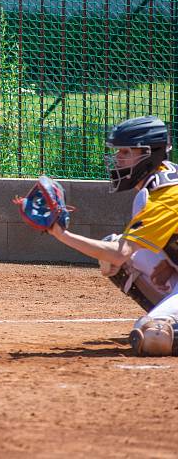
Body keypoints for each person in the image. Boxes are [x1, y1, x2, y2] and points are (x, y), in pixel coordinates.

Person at [47, 115, 178, 356]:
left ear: (149, 154)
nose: (117, 160)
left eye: (126, 153)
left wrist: (61, 234)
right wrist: (170, 266)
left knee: (153, 335)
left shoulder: (163, 196)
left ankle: (164, 324)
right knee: (113, 247)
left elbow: (119, 255)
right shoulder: (161, 182)